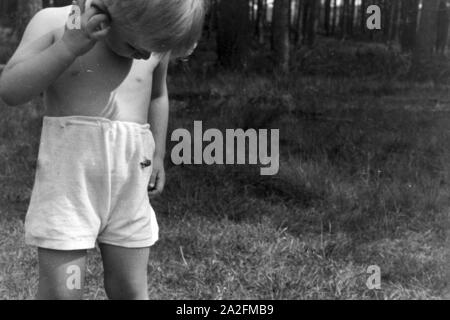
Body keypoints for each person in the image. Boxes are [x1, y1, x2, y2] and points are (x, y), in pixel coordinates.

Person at [0, 0, 205, 300]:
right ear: (111, 10)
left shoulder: (151, 37)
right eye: (136, 47)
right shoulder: (56, 23)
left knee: (131, 290)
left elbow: (158, 96)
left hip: (129, 188)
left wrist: (159, 153)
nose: (146, 56)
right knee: (63, 293)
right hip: (69, 189)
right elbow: (10, 89)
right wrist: (67, 48)